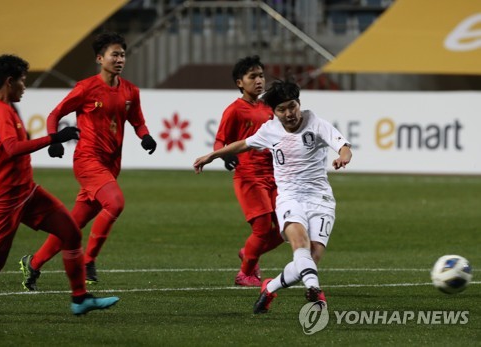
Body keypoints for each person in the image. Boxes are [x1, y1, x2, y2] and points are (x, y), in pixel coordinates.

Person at [194, 80, 352, 313]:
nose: (289, 113)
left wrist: (343, 158)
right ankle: (315, 290)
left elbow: (344, 147)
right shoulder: (270, 130)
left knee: (311, 258)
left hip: (320, 199)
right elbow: (243, 145)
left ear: (299, 104)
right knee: (300, 245)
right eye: (282, 109)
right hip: (289, 197)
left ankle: (269, 287)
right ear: (274, 112)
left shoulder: (316, 124)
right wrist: (213, 155)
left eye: (292, 106)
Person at [0, 54, 119, 315]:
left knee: (70, 232)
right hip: (2, 199)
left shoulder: (5, 109)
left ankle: (80, 298)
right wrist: (54, 137)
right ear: (9, 82)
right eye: (22, 81)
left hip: (26, 192)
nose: (25, 86)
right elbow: (12, 148)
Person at [20, 31, 157, 289]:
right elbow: (55, 114)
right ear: (99, 58)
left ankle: (34, 264)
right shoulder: (86, 88)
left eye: (123, 55)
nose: (119, 59)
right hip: (87, 160)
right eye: (114, 54)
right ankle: (88, 261)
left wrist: (145, 136)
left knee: (72, 226)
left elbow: (137, 120)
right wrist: (54, 140)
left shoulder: (131, 91)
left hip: (110, 165)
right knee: (115, 203)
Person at [214, 55, 283, 287]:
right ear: (239, 82)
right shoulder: (234, 110)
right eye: (252, 77)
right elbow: (219, 141)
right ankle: (244, 274)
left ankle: (249, 252)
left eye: (261, 75)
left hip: (274, 175)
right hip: (248, 175)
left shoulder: (269, 108)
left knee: (285, 227)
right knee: (262, 228)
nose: (259, 81)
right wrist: (226, 156)